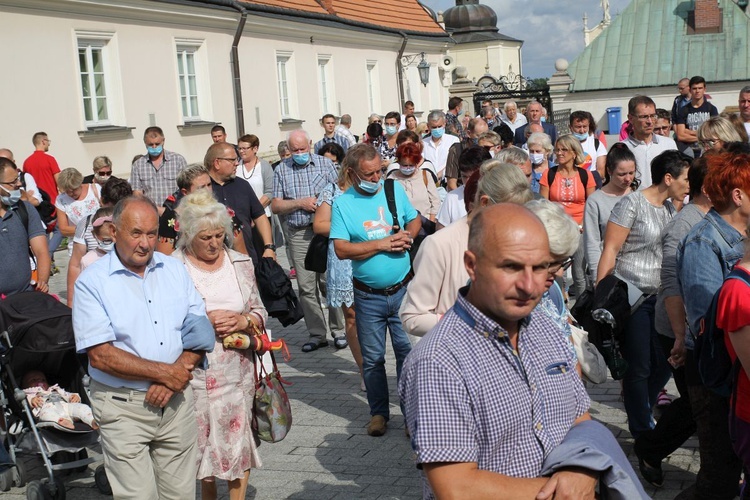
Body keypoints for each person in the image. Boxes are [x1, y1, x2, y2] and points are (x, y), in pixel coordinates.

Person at [399, 203, 594, 500]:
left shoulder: (544, 326)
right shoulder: (437, 362)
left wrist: (583, 469)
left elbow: (580, 420)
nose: (530, 286)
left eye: (541, 267)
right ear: (471, 265)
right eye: (511, 266)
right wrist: (566, 490)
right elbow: (456, 488)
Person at [73, 195, 215, 500]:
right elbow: (101, 356)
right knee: (138, 496)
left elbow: (201, 330)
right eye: (135, 233)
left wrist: (177, 374)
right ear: (113, 231)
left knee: (180, 495)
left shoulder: (174, 269)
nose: (145, 243)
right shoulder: (91, 282)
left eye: (151, 234)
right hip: (123, 408)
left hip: (176, 403)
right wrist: (167, 373)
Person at [169, 190, 265, 500]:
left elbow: (260, 312)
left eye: (219, 235)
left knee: (238, 439)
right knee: (201, 443)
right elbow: (161, 321)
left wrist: (243, 321)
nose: (214, 243)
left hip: (239, 368)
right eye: (205, 237)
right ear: (188, 236)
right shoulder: (172, 267)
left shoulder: (239, 262)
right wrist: (201, 322)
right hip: (194, 369)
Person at [329, 143, 421, 437]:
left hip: (403, 290)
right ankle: (379, 413)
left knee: (409, 355)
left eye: (380, 171)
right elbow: (341, 249)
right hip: (367, 296)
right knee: (373, 359)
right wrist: (381, 244)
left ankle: (413, 415)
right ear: (352, 173)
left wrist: (409, 235)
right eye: (369, 174)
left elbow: (414, 218)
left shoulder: (393, 189)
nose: (376, 178)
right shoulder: (343, 203)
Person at [598, 150, 690, 439]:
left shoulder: (669, 209)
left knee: (665, 363)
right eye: (685, 178)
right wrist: (602, 299)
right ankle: (642, 431)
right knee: (639, 366)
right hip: (632, 296)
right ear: (668, 178)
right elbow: (610, 249)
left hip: (663, 298)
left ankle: (642, 407)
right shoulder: (632, 203)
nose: (689, 184)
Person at [633, 156, 710, 487]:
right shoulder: (683, 225)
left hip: (697, 329)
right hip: (678, 328)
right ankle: (650, 446)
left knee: (703, 402)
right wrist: (680, 336)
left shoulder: (714, 217)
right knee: (701, 403)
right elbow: (671, 283)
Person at [677, 150, 749, 500]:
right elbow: (708, 323)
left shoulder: (741, 235)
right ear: (738, 196)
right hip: (716, 373)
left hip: (739, 370)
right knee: (719, 475)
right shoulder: (703, 240)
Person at [400, 161, 532, 337]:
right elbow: (413, 317)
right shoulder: (440, 244)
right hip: (457, 355)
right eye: (510, 214)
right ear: (484, 203)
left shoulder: (517, 239)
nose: (516, 223)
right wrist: (468, 322)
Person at [271, 130, 346, 352]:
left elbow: (341, 194)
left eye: (303, 149)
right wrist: (299, 203)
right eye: (295, 150)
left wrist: (324, 206)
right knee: (305, 287)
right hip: (299, 233)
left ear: (310, 145)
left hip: (324, 231)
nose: (299, 153)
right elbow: (276, 205)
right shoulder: (281, 170)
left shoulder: (325, 164)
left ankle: (339, 330)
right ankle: (317, 333)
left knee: (328, 282)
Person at [313, 157, 364, 389]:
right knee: (351, 315)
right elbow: (320, 225)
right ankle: (364, 369)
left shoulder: (376, 188)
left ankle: (377, 362)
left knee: (373, 316)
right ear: (350, 169)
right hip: (343, 259)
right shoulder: (332, 190)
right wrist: (349, 225)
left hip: (371, 256)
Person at [540, 135, 596, 298]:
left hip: (580, 229)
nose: (559, 153)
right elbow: (544, 205)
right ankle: (560, 307)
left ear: (574, 152)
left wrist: (581, 225)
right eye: (557, 149)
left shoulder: (586, 175)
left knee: (579, 274)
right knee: (558, 274)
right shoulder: (548, 174)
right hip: (557, 230)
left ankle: (580, 309)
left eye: (564, 149)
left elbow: (590, 205)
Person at [66, 178, 133, 306]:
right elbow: (75, 264)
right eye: (112, 208)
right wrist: (71, 303)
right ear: (102, 201)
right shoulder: (86, 224)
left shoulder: (135, 223)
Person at [206, 142, 274, 265]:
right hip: (214, 261)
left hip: (247, 257)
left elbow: (260, 216)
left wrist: (269, 247)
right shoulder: (202, 188)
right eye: (232, 160)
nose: (237, 163)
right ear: (217, 163)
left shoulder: (242, 185)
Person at [583, 144, 638, 286]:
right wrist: (598, 279)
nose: (627, 179)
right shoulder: (595, 201)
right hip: (609, 273)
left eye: (631, 173)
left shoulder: (640, 195)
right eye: (622, 174)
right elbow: (592, 242)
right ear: (609, 171)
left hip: (638, 273)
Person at [0, 157, 50, 296]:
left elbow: (41, 251)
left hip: (25, 296)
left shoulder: (25, 209)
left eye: (17, 179)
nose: (19, 184)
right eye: (12, 182)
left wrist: (42, 281)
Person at [22, 131, 62, 263]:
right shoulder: (50, 159)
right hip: (53, 202)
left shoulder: (27, 162)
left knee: (42, 232)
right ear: (43, 141)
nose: (48, 144)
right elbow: (59, 181)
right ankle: (47, 256)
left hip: (37, 203)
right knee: (59, 230)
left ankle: (45, 262)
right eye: (48, 141)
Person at [623, 95, 678, 188]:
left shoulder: (668, 144)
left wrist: (676, 202)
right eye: (644, 117)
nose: (650, 121)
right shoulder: (624, 148)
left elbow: (678, 176)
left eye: (652, 116)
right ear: (631, 118)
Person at [130, 126, 188, 206]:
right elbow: (137, 194)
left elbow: (187, 187)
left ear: (163, 141)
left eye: (157, 144)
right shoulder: (138, 165)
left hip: (175, 211)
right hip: (151, 213)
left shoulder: (178, 160)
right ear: (145, 143)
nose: (154, 147)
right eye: (150, 144)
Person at [435, 146, 491, 229]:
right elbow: (440, 232)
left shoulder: (497, 196)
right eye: (464, 176)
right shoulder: (452, 198)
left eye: (474, 176)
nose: (469, 182)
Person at [22, 370, 98, 430]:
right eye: (33, 380)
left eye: (43, 379)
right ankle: (61, 422)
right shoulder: (29, 394)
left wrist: (74, 396)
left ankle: (92, 420)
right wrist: (32, 401)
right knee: (45, 414)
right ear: (25, 386)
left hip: (67, 407)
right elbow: (25, 402)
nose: (39, 381)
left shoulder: (55, 389)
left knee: (82, 408)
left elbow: (67, 394)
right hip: (47, 409)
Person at [387, 142, 440, 226]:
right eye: (405, 165)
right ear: (399, 162)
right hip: (403, 226)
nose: (408, 168)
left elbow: (435, 201)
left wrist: (431, 220)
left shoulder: (425, 175)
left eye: (411, 165)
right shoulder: (392, 178)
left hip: (426, 223)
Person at [54, 167, 102, 255]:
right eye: (68, 191)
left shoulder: (96, 189)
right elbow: (64, 229)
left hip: (100, 245)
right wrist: (91, 228)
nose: (71, 194)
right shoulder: (61, 200)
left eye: (74, 190)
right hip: (77, 249)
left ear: (80, 183)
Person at [675, 76, 719, 157]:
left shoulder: (712, 109)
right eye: (694, 88)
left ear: (704, 89)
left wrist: (689, 131)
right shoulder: (683, 110)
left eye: (700, 88)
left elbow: (714, 133)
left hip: (707, 152)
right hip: (689, 152)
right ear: (690, 90)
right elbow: (680, 135)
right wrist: (702, 137)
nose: (697, 91)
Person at [444, 118, 489, 191]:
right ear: (469, 133)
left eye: (486, 136)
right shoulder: (457, 150)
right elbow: (451, 183)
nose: (483, 139)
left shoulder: (488, 149)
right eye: (479, 136)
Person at [236, 134, 274, 220]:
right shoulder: (236, 166)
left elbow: (270, 192)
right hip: (241, 217)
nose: (241, 151)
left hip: (262, 215)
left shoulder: (264, 166)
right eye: (239, 148)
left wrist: (255, 211)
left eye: (245, 148)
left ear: (255, 149)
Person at [421, 111, 460, 182]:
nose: (437, 129)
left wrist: (442, 173)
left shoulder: (453, 140)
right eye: (434, 127)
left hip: (447, 181)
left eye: (439, 126)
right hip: (429, 181)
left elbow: (455, 161)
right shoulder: (423, 143)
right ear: (428, 126)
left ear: (444, 124)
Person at [569, 110, 607, 177]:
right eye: (578, 127)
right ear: (570, 127)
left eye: (585, 126)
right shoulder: (564, 145)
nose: (582, 131)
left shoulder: (597, 144)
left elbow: (601, 173)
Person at [80, 207, 115, 271]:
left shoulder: (127, 257)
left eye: (118, 239)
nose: (114, 242)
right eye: (107, 240)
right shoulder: (88, 261)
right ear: (94, 235)